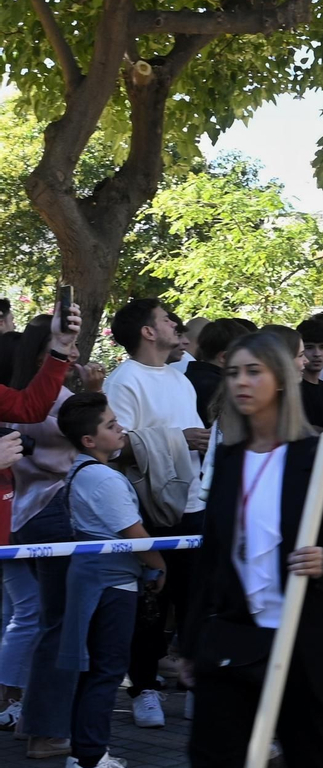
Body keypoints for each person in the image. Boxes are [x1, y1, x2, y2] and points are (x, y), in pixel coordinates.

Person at [163, 332, 323, 768]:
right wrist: (190, 644)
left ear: (280, 378)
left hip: (304, 647)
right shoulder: (227, 462)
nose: (241, 383)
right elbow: (211, 562)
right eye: (233, 373)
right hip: (233, 644)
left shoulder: (319, 458)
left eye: (253, 371)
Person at [102, 298, 208, 731]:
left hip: (194, 502)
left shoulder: (181, 380)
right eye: (167, 320)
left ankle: (196, 683)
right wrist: (179, 438)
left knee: (195, 601)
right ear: (148, 332)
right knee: (152, 603)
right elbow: (116, 444)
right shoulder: (123, 381)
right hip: (149, 508)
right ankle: (144, 686)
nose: (175, 325)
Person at [54, 393, 162, 768]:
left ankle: (84, 755)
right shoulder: (101, 478)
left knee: (98, 671)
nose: (121, 430)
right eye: (111, 425)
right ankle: (91, 763)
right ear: (88, 440)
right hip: (110, 584)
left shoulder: (88, 472)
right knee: (107, 671)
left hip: (103, 581)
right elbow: (133, 534)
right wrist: (160, 564)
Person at [10, 316, 103, 764]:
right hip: (52, 514)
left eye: (72, 344)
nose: (70, 352)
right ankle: (46, 730)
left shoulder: (37, 395)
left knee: (46, 620)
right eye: (59, 346)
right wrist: (94, 396)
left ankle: (40, 721)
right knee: (60, 625)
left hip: (29, 515)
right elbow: (101, 439)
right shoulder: (57, 400)